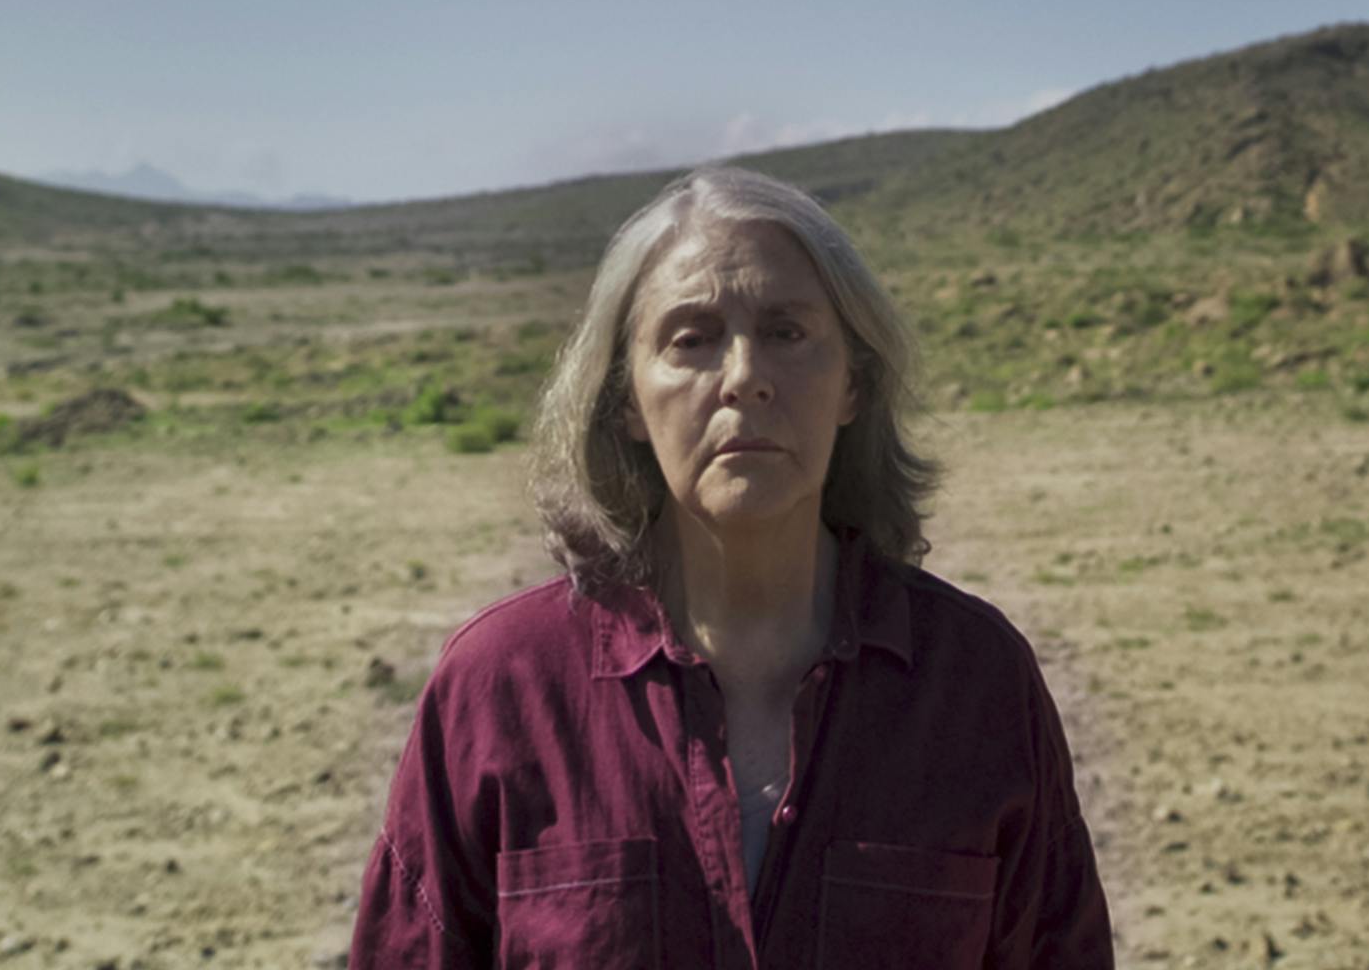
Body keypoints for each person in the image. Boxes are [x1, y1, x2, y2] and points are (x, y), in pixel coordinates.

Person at [349, 164, 1112, 968]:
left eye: (786, 332)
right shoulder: (501, 687)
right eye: (692, 338)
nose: (744, 377)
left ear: (853, 380)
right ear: (624, 402)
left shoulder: (977, 682)